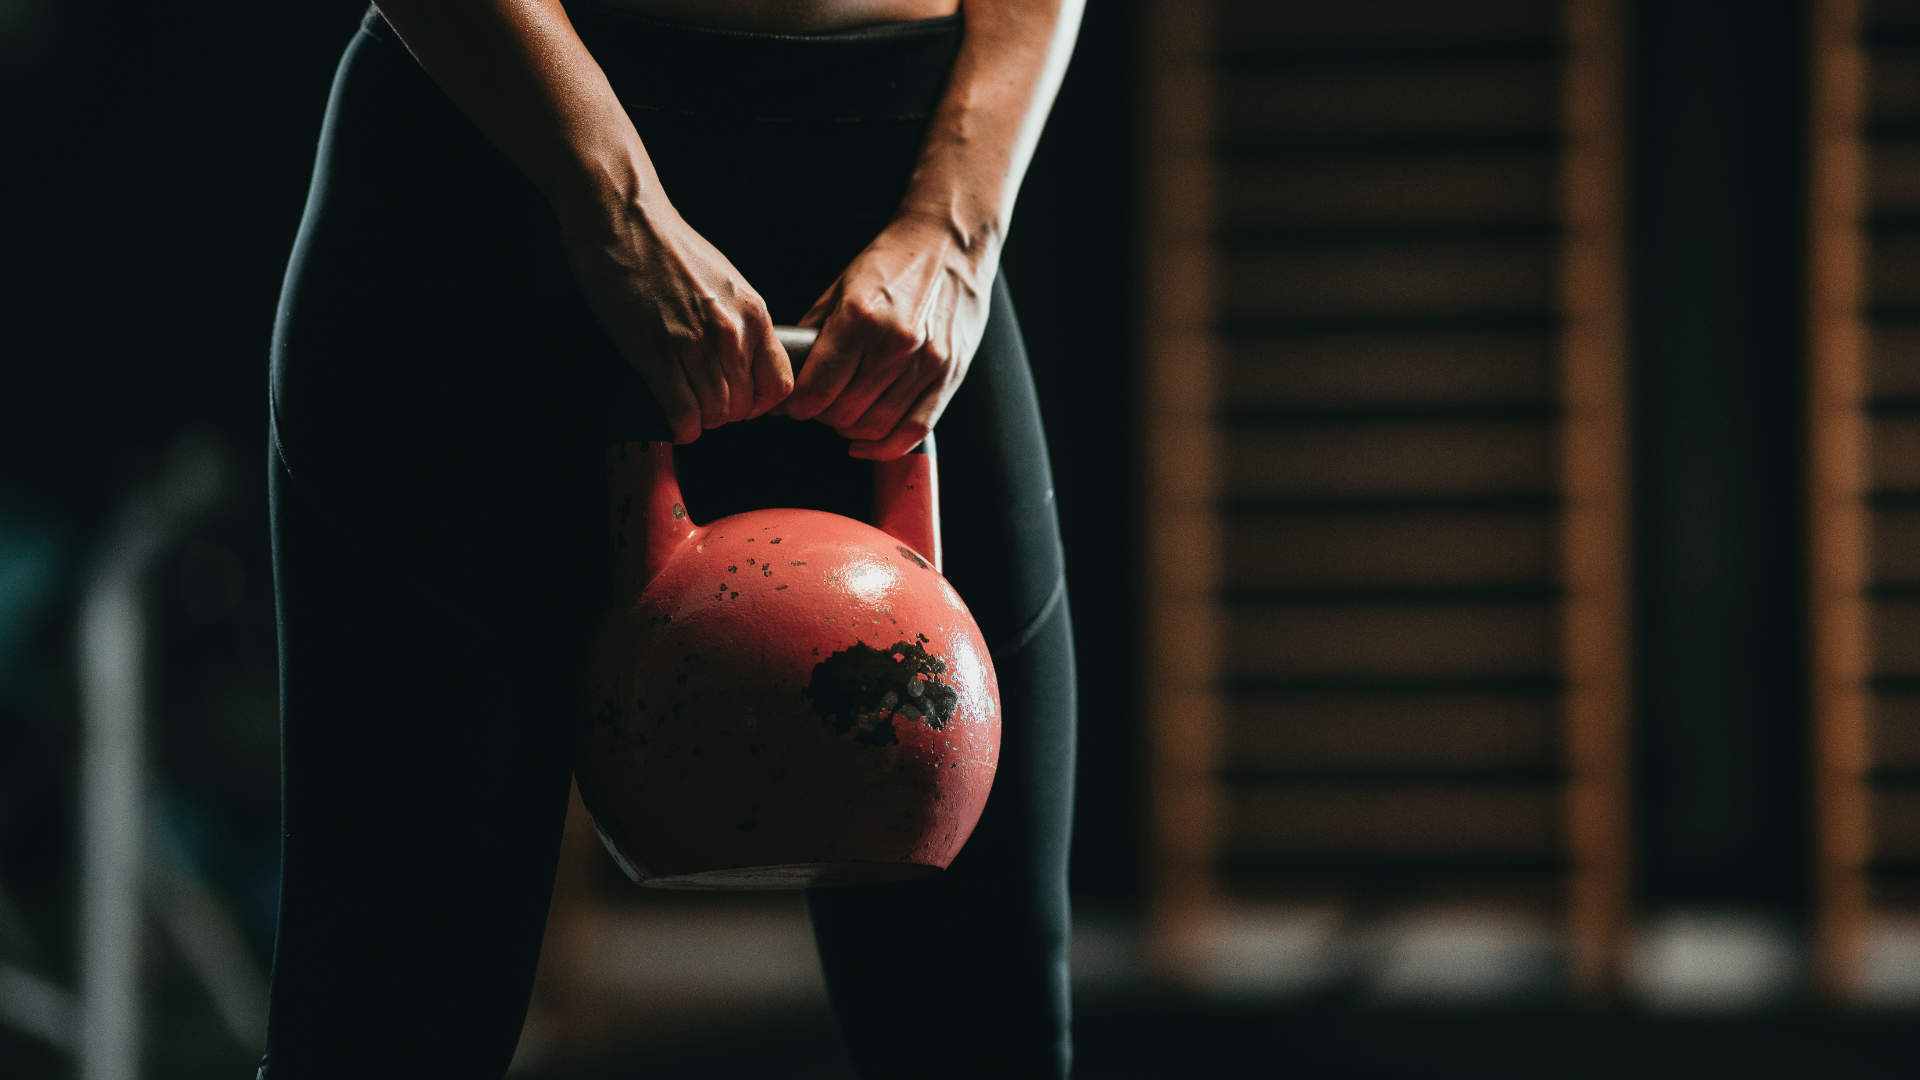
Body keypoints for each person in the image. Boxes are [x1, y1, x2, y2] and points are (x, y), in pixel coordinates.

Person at [263, 0, 1082, 1075]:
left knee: (984, 1027)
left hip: (900, 210)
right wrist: (613, 205)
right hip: (496, 172)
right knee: (389, 1012)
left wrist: (958, 225)